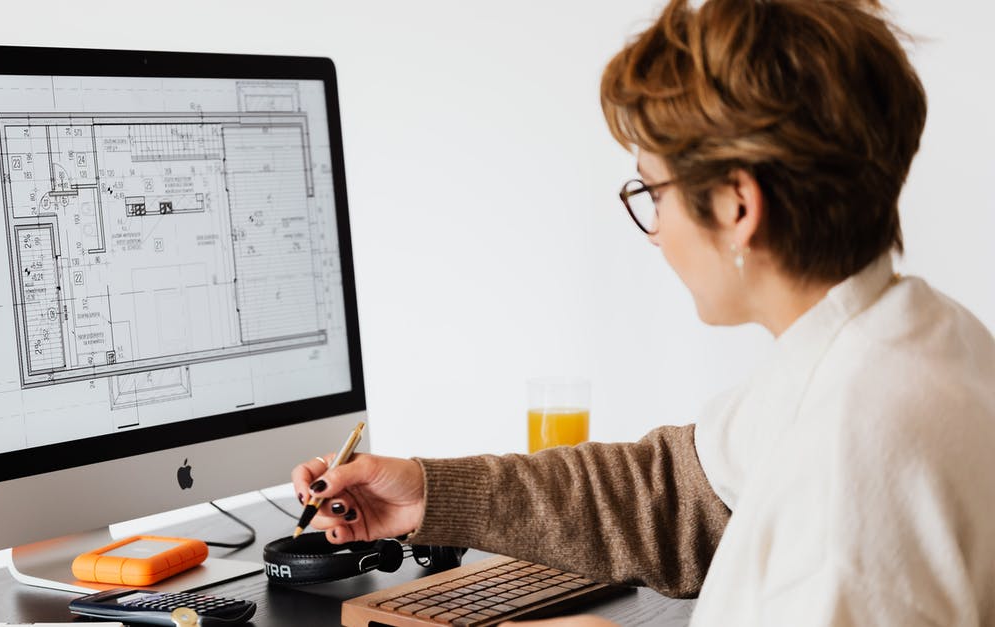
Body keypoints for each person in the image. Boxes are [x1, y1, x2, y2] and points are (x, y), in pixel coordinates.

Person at [292, 0, 995, 624]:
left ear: (735, 206)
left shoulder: (857, 462)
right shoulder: (900, 342)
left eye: (653, 192)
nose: (655, 229)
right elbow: (674, 491)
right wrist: (431, 494)